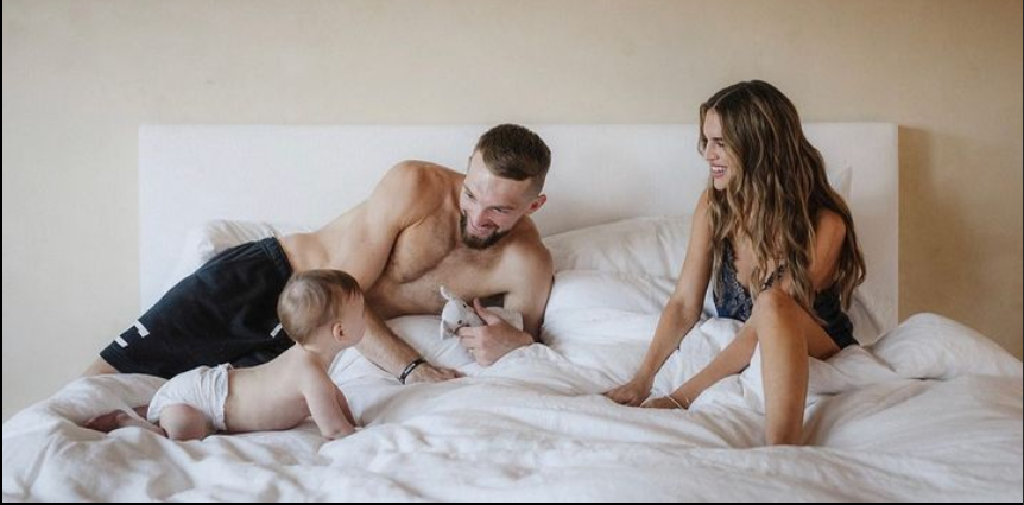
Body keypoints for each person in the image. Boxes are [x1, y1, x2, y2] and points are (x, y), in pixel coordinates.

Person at [84, 124, 554, 385]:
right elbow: (334, 294)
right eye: (471, 194)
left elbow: (528, 353)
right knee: (96, 385)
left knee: (162, 412)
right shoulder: (416, 184)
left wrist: (515, 344)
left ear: (534, 206)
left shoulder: (527, 266)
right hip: (271, 280)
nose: (477, 216)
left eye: (499, 210)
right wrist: (413, 369)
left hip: (313, 346)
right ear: (469, 164)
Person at [604, 81, 865, 446]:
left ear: (759, 147)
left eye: (721, 143)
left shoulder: (825, 225)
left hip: (818, 344)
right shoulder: (715, 206)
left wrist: (681, 397)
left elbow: (763, 324)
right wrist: (642, 380)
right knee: (769, 305)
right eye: (706, 141)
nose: (708, 154)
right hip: (751, 338)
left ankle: (783, 449)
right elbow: (683, 305)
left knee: (772, 304)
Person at [84, 269, 365, 440]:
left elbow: (335, 397)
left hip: (208, 386)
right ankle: (127, 421)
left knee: (175, 410)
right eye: (362, 314)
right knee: (184, 433)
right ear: (340, 332)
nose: (366, 319)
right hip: (201, 399)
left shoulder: (305, 360)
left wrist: (353, 419)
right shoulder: (310, 374)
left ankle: (152, 408)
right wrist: (355, 432)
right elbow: (334, 431)